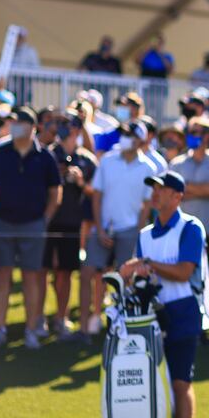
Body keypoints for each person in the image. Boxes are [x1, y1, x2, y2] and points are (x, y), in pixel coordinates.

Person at [120, 171, 208, 418]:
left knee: (180, 382)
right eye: (154, 188)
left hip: (183, 310)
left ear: (177, 196)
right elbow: (139, 274)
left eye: (162, 188)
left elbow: (183, 272)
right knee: (153, 382)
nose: (155, 193)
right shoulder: (145, 233)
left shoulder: (190, 227)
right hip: (151, 315)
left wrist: (147, 264)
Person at [0, 107, 61, 349]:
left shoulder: (45, 156)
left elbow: (54, 191)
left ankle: (31, 330)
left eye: (19, 122)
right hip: (1, 222)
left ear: (32, 126)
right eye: (13, 122)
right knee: (3, 275)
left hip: (32, 225)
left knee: (31, 277)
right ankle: (1, 329)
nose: (14, 125)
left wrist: (44, 219)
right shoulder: (0, 152)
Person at [79, 121, 155, 338]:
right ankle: (85, 325)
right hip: (102, 228)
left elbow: (146, 205)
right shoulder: (108, 161)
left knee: (126, 280)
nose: (125, 137)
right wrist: (99, 228)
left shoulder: (148, 167)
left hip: (129, 230)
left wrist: (137, 233)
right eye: (124, 133)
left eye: (130, 135)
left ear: (141, 140)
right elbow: (97, 196)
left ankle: (122, 324)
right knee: (87, 273)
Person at [171, 117, 209, 329]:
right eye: (191, 131)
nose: (192, 135)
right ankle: (187, 320)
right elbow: (173, 194)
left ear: (208, 137)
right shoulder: (177, 163)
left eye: (197, 132)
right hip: (181, 231)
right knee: (182, 277)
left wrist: (186, 188)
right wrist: (198, 189)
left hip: (208, 230)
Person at [44, 110, 98, 338]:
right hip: (47, 221)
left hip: (72, 224)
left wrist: (80, 181)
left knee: (65, 272)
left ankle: (61, 317)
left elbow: (95, 192)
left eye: (67, 124)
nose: (62, 127)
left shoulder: (86, 159)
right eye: (59, 123)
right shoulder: (47, 154)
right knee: (43, 271)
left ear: (77, 129)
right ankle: (39, 319)